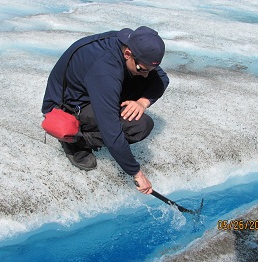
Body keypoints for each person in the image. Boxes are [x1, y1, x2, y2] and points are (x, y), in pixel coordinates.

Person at [42, 26, 169, 194]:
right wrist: (136, 173)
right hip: (68, 107)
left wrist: (142, 102)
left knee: (149, 83)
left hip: (94, 86)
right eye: (142, 69)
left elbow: (162, 79)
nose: (146, 74)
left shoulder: (132, 45)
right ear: (128, 54)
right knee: (139, 126)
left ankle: (89, 130)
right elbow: (111, 132)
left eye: (150, 69)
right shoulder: (104, 71)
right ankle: (76, 141)